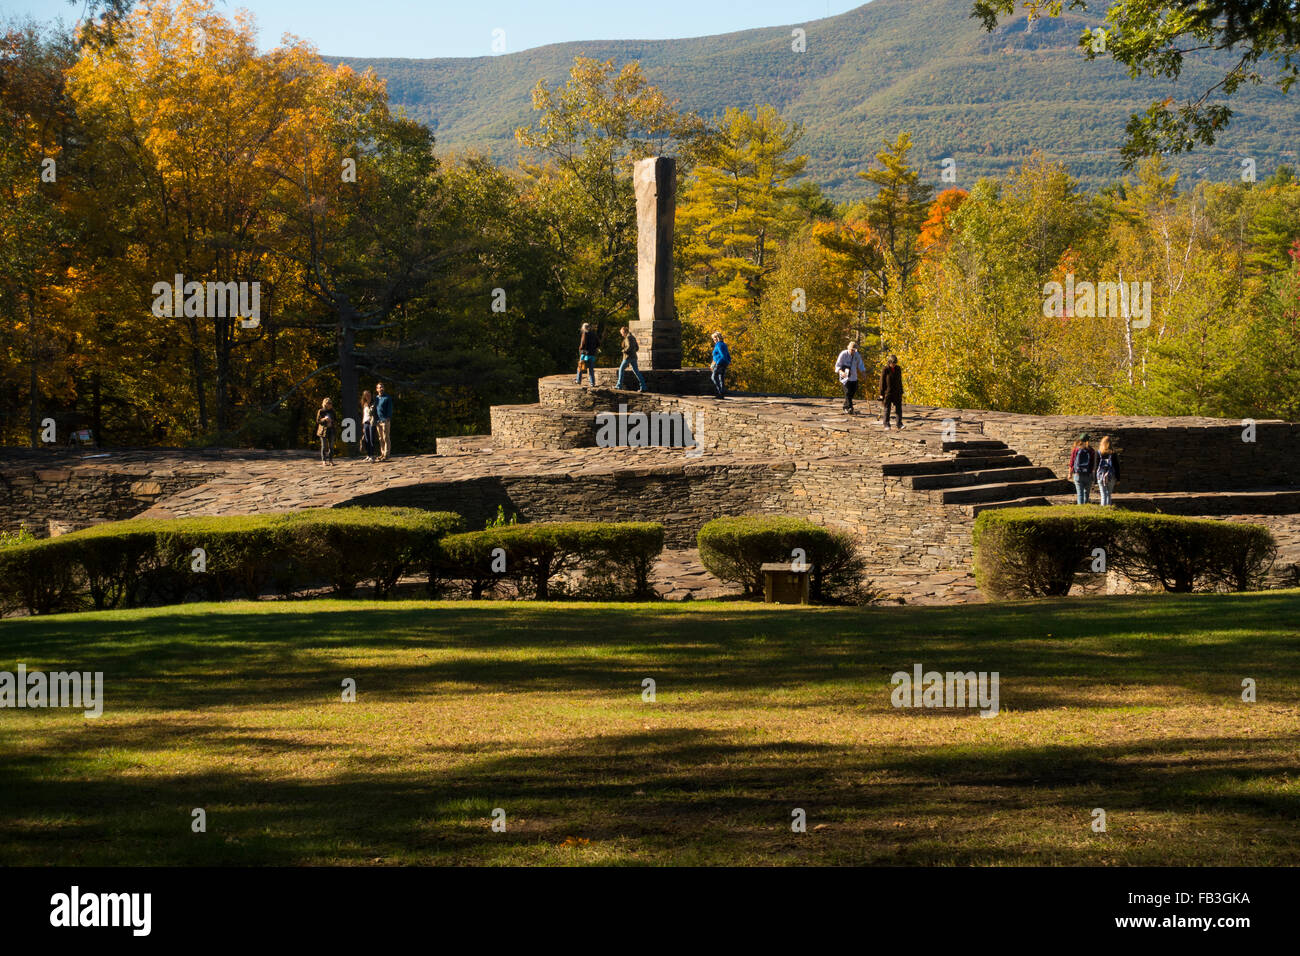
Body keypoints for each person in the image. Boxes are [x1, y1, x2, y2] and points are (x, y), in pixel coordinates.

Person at [835, 340, 867, 413]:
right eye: (852, 350)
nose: (853, 351)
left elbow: (860, 364)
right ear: (848, 348)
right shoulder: (843, 354)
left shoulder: (857, 355)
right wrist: (841, 372)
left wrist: (863, 373)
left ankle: (845, 406)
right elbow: (837, 365)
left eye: (855, 350)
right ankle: (850, 408)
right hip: (845, 377)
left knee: (853, 391)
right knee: (848, 392)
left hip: (854, 377)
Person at [615, 325, 647, 392]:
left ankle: (619, 386)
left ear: (624, 332)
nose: (622, 335)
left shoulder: (628, 337)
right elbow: (637, 348)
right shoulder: (633, 337)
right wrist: (633, 351)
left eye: (622, 333)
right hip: (634, 357)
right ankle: (643, 387)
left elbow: (629, 347)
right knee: (636, 372)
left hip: (627, 357)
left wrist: (624, 350)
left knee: (621, 369)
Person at [1069, 433, 1096, 504]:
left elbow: (1072, 462)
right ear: (1088, 440)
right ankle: (1086, 508)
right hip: (1088, 474)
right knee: (1086, 494)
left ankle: (1080, 510)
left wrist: (1070, 474)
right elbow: (1093, 464)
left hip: (1078, 474)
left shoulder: (1076, 449)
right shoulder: (1091, 450)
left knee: (1080, 494)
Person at [879, 354, 904, 429]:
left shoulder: (898, 369)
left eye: (895, 363)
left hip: (897, 392)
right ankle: (886, 424)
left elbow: (900, 381)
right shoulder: (885, 369)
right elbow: (881, 382)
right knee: (887, 408)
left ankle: (899, 423)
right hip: (888, 392)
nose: (893, 365)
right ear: (889, 362)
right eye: (892, 363)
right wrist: (881, 393)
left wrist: (901, 390)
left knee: (899, 408)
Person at [1096, 435, 1121, 506]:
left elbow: (1096, 466)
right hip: (1111, 476)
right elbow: (1117, 467)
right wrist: (1118, 479)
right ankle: (1108, 509)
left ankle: (1103, 511)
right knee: (1109, 494)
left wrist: (1095, 479)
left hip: (1100, 476)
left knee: (1103, 494)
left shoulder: (1098, 453)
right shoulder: (1113, 453)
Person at [575, 322, 601, 387]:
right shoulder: (594, 334)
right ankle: (592, 383)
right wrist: (594, 349)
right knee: (591, 369)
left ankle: (578, 380)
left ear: (583, 328)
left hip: (584, 353)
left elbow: (582, 344)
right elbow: (598, 343)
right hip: (592, 354)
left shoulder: (585, 334)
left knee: (580, 367)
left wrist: (580, 350)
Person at [374, 382, 393, 461]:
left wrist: (388, 417)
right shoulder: (376, 398)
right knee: (380, 438)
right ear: (377, 389)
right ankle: (382, 454)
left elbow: (390, 408)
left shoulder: (387, 397)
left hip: (385, 420)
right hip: (378, 420)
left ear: (383, 388)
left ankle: (386, 454)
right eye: (379, 387)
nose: (381, 389)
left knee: (386, 437)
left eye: (382, 387)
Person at [316, 398, 337, 466]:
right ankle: (324, 460)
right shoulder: (321, 411)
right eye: (328, 403)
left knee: (331, 446)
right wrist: (324, 419)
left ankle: (331, 460)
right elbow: (318, 421)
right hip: (323, 431)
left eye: (331, 403)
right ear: (325, 404)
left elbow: (336, 420)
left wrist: (331, 421)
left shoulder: (333, 411)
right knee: (324, 446)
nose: (330, 405)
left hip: (331, 430)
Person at [710, 332, 731, 399]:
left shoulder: (719, 345)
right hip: (723, 363)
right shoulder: (723, 344)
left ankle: (720, 392)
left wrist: (719, 363)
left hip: (720, 363)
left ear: (717, 338)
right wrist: (728, 361)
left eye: (714, 338)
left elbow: (723, 355)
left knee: (714, 377)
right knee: (720, 378)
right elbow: (727, 355)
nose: (713, 339)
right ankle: (721, 394)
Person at [359, 389, 377, 463]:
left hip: (372, 422)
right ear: (364, 396)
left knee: (372, 439)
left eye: (369, 394)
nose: (368, 396)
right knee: (366, 440)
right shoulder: (364, 404)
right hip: (366, 422)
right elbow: (364, 415)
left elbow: (375, 413)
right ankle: (368, 455)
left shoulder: (374, 403)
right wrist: (363, 425)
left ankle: (372, 455)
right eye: (366, 395)